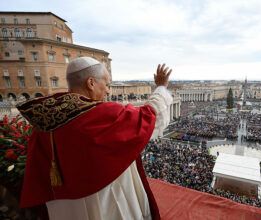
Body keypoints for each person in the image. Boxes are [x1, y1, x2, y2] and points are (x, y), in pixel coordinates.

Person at [16, 57, 173, 220]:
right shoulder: (102, 115)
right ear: (91, 83)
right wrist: (161, 87)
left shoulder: (44, 122)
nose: (107, 91)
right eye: (106, 85)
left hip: (65, 207)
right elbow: (148, 116)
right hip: (106, 201)